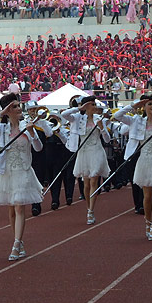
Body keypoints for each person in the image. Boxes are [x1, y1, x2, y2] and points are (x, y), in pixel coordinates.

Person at [0, 94, 43, 260]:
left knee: (18, 206)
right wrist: (0, 113)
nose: (18, 109)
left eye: (18, 106)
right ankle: (19, 241)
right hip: (7, 172)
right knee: (11, 209)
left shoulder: (27, 125)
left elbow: (38, 148)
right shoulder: (1, 129)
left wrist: (32, 132)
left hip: (23, 171)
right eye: (14, 107)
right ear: (8, 110)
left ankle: (16, 244)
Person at [114, 95, 152, 240]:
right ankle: (148, 222)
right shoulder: (136, 121)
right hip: (145, 160)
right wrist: (135, 105)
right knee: (147, 197)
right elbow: (118, 115)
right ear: (144, 106)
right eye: (149, 104)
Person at [62, 96, 110, 225]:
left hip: (96, 150)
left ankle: (91, 211)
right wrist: (79, 108)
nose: (95, 107)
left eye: (95, 104)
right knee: (87, 183)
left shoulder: (99, 119)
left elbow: (107, 139)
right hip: (84, 152)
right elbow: (64, 114)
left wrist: (102, 128)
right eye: (92, 104)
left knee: (94, 179)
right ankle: (89, 207)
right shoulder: (77, 118)